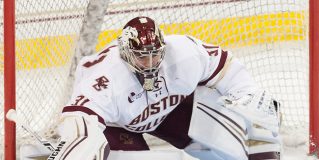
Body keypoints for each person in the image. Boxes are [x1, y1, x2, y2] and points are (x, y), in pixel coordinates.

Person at [46, 16, 281, 160]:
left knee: (236, 142)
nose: (150, 63)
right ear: (126, 54)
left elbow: (226, 68)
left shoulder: (185, 53)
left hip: (167, 111)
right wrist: (76, 147)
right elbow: (80, 121)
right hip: (118, 123)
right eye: (141, 57)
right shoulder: (106, 78)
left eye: (154, 55)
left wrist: (247, 95)